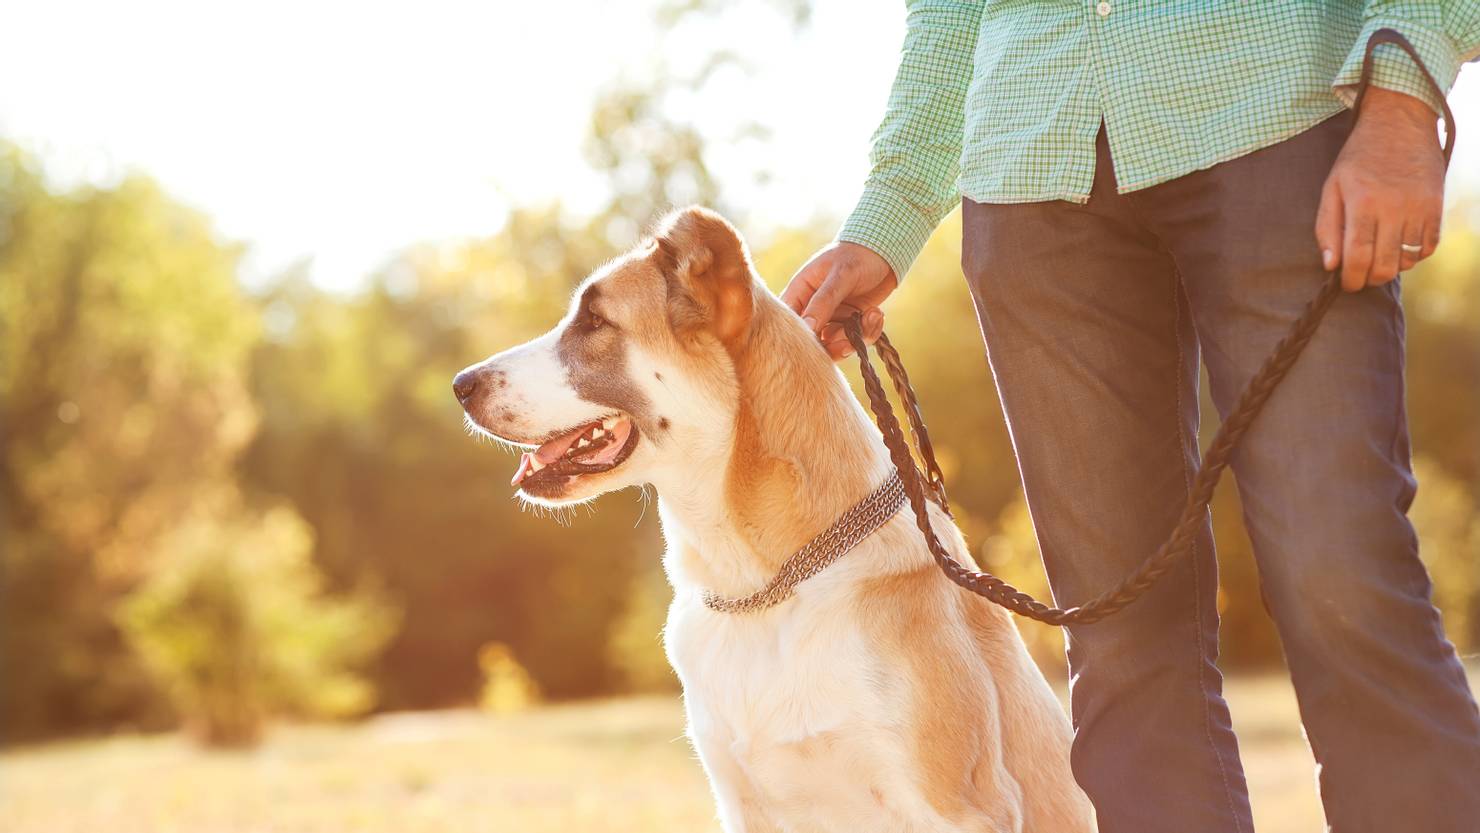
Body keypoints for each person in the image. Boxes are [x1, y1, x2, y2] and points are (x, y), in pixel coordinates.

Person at [781, 4, 1480, 832]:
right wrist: (890, 210)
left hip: (1273, 115)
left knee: (1344, 584)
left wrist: (1403, 95)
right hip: (1031, 170)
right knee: (1119, 643)